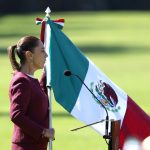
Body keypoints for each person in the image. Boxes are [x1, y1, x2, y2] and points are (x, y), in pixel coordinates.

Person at [7, 36, 55, 150]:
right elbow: (16, 115)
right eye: (42, 51)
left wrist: (46, 75)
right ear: (29, 55)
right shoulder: (22, 81)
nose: (46, 55)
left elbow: (39, 98)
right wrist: (43, 132)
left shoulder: (30, 80)